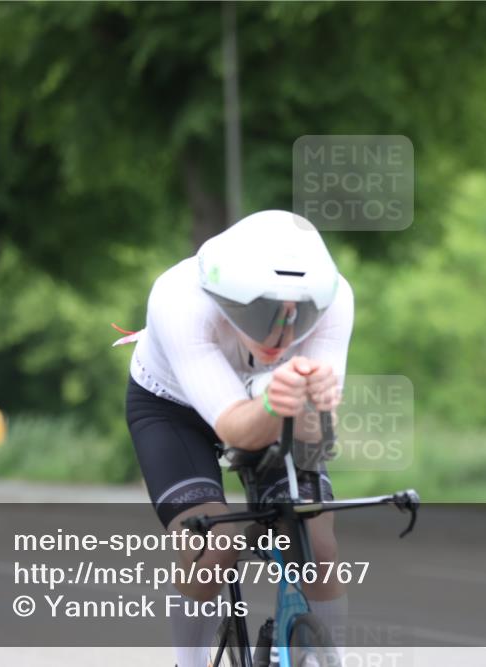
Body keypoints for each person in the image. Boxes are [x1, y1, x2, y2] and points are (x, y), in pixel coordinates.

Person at [120, 210, 353, 667]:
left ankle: (331, 659)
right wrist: (279, 404)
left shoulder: (336, 298)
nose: (280, 334)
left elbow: (316, 433)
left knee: (319, 544)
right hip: (174, 408)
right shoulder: (179, 298)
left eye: (298, 315)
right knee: (213, 542)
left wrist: (314, 410)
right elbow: (233, 427)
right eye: (261, 312)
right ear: (227, 298)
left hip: (272, 404)